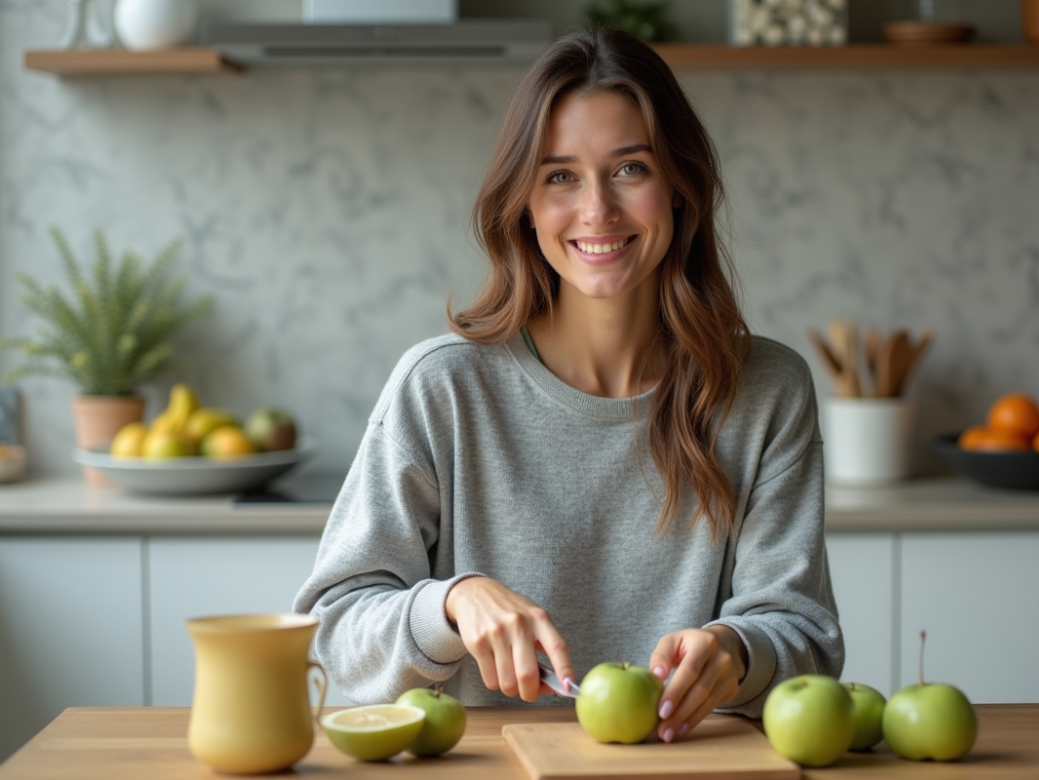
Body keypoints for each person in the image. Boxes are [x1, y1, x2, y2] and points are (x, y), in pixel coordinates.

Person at [293, 28, 843, 744]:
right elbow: (331, 639)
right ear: (522, 203)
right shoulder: (443, 387)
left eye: (630, 169)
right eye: (560, 176)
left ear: (680, 189)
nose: (597, 212)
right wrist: (452, 603)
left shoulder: (765, 390)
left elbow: (805, 635)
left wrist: (739, 651)